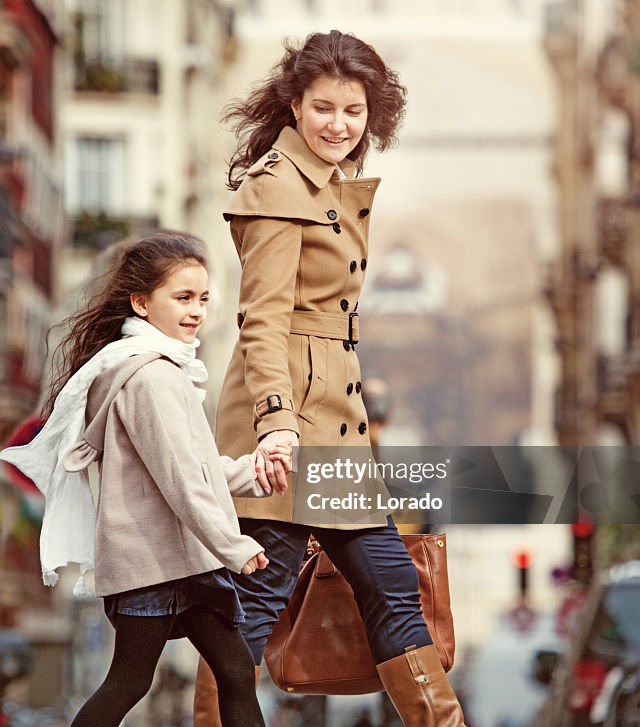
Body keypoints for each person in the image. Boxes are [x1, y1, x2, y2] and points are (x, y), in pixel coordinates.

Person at [193, 31, 468, 726]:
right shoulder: (279, 190)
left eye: (353, 111)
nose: (338, 125)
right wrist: (277, 422)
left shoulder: (328, 184)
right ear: (295, 104)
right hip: (290, 424)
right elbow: (261, 319)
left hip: (334, 424)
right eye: (323, 108)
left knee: (394, 582)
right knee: (258, 598)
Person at [0, 232, 291, 727]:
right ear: (142, 303)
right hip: (155, 562)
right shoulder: (151, 378)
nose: (196, 312)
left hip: (179, 559)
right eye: (183, 298)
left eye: (203, 299)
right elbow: (183, 478)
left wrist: (255, 472)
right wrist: (233, 544)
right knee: (131, 681)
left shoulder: (158, 370)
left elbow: (196, 468)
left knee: (232, 671)